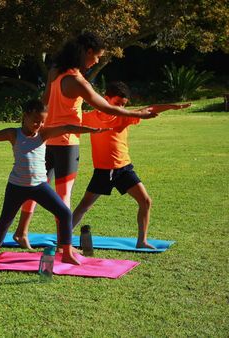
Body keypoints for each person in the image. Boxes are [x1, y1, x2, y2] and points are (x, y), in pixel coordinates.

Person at [14, 32, 159, 249]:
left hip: (45, 139)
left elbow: (43, 102)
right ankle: (65, 243)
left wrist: (33, 126)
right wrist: (139, 114)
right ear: (87, 52)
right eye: (97, 56)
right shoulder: (77, 80)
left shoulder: (54, 71)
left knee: (35, 186)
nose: (97, 61)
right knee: (64, 195)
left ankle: (22, 232)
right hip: (66, 143)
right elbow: (106, 107)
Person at [0, 99, 109, 264]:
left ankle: (66, 252)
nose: (39, 124)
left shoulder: (44, 133)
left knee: (64, 213)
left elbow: (67, 127)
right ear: (25, 116)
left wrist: (91, 130)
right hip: (16, 186)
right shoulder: (13, 134)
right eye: (36, 121)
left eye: (43, 121)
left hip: (39, 186)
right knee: (6, 218)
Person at [73, 81, 191, 248]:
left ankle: (141, 241)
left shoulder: (124, 116)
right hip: (103, 171)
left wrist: (171, 106)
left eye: (123, 105)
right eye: (117, 103)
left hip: (124, 169)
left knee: (145, 201)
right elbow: (68, 117)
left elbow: (149, 109)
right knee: (84, 206)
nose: (121, 107)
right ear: (106, 99)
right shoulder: (90, 117)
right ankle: (63, 237)